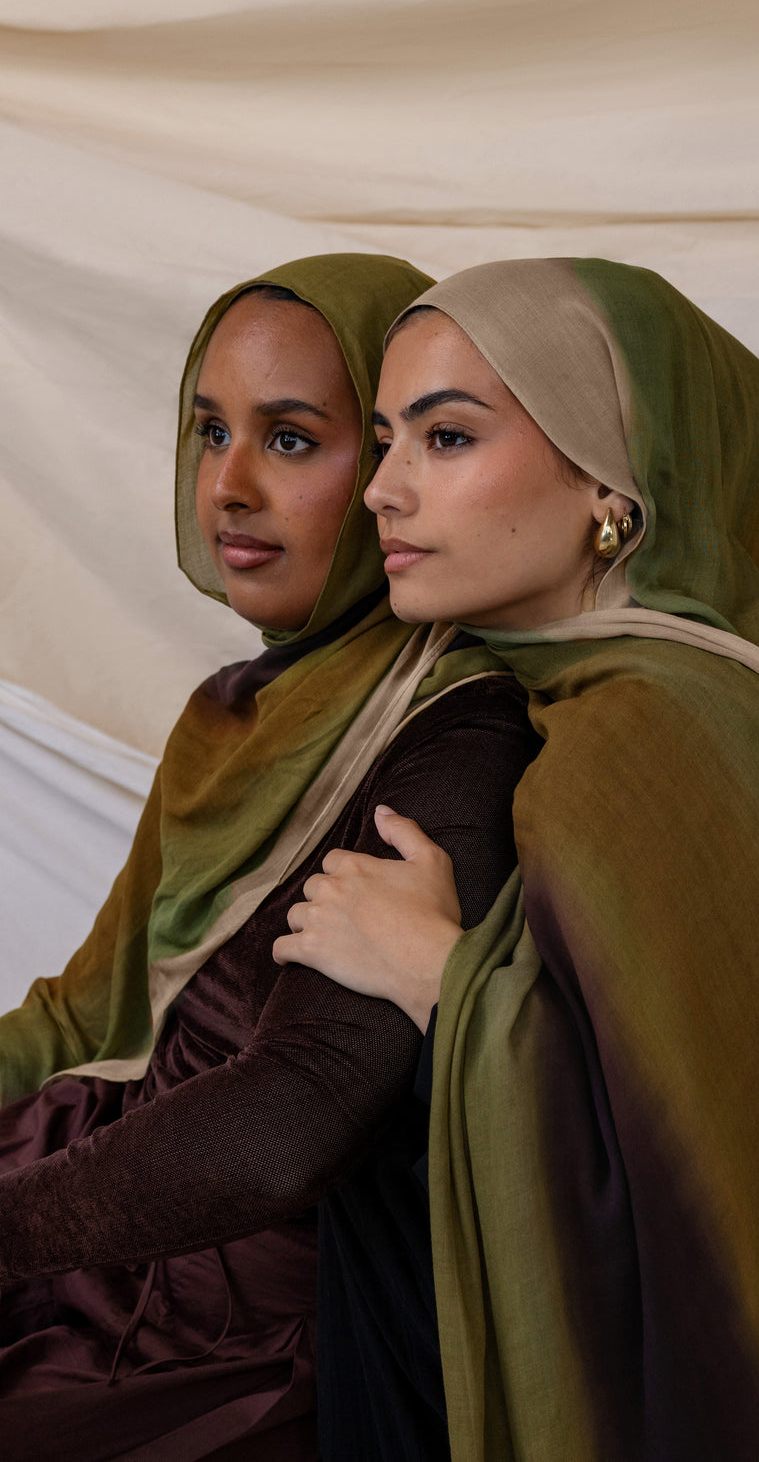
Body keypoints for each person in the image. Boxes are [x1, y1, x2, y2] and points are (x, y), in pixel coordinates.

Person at [277, 257, 759, 1460]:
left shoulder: (658, 730)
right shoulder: (592, 699)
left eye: (447, 439)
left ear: (609, 483)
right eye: (387, 440)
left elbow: (725, 1173)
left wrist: (436, 979)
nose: (383, 493)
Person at [0, 254, 539, 1460]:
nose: (228, 485)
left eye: (291, 440)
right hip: (93, 1195)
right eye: (209, 432)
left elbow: (302, 1115)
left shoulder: (461, 732)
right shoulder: (235, 708)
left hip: (233, 1324)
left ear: (387, 469)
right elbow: (88, 1011)